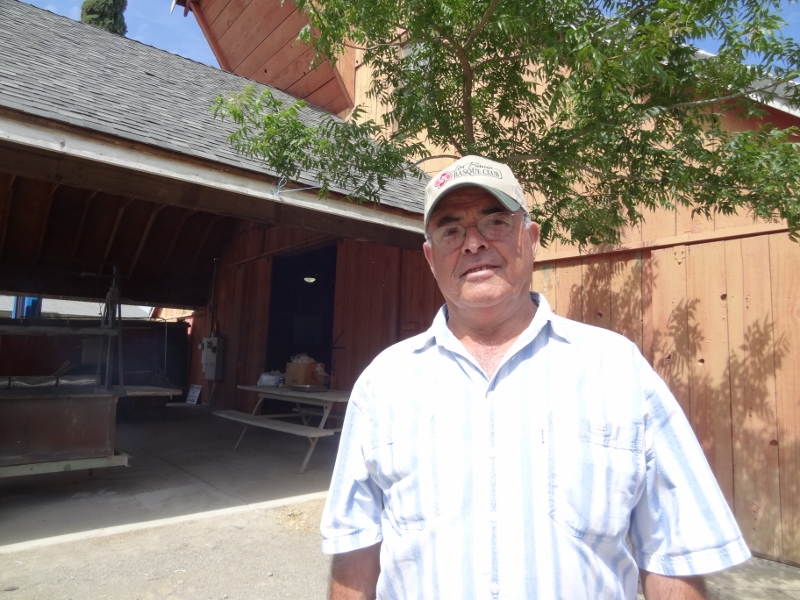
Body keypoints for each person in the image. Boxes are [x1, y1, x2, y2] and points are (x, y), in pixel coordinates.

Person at [320, 155, 750, 599]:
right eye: (451, 231)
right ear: (431, 257)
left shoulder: (618, 369)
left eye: (496, 222)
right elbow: (355, 545)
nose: (473, 244)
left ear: (531, 237)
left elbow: (674, 553)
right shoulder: (384, 382)